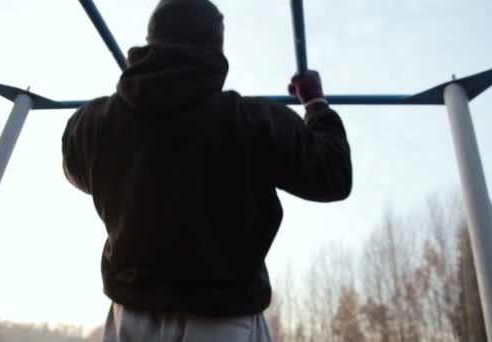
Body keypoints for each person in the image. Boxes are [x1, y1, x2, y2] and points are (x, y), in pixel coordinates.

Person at [61, 0, 352, 341]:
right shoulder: (253, 123)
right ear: (216, 49)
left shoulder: (94, 123)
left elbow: (77, 169)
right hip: (223, 321)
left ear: (150, 40)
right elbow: (334, 175)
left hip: (131, 319)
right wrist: (316, 104)